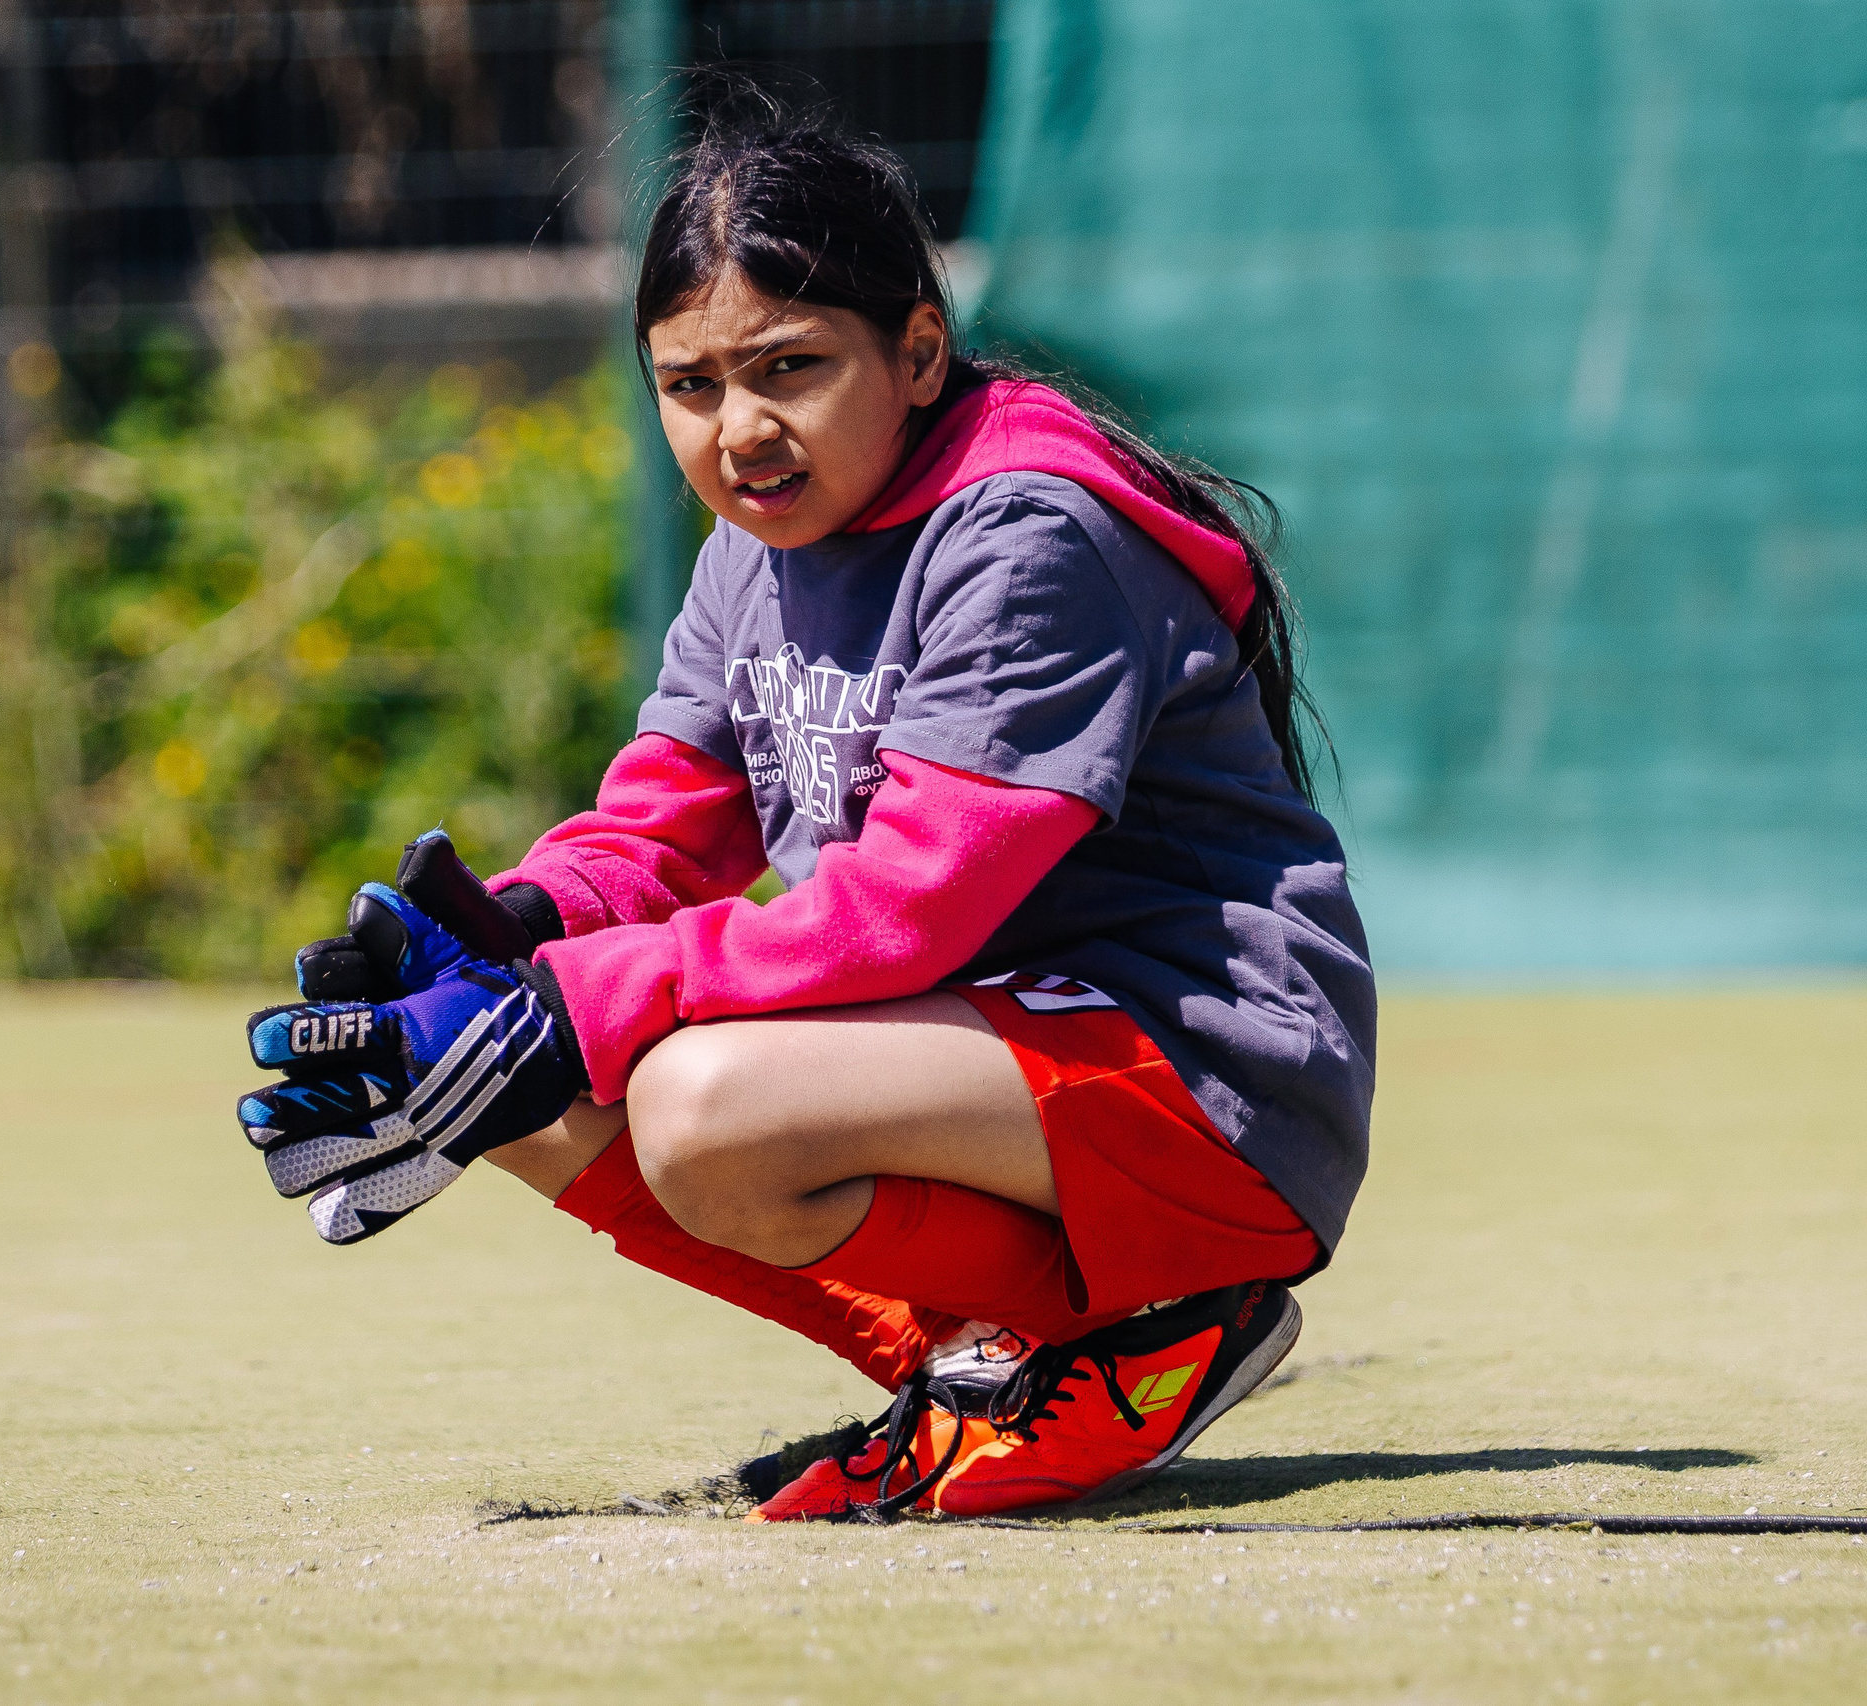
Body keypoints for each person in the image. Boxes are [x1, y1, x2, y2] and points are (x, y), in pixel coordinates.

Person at [234, 109, 1377, 1521]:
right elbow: (660, 831)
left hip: (1208, 1080)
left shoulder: (1026, 536)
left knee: (698, 1103)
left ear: (915, 351)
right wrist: (504, 933)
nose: (742, 429)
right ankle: (982, 1365)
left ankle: (1164, 1331)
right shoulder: (754, 547)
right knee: (504, 1092)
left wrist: (572, 1004)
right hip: (994, 1068)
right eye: (692, 384)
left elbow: (907, 905)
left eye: (791, 369)